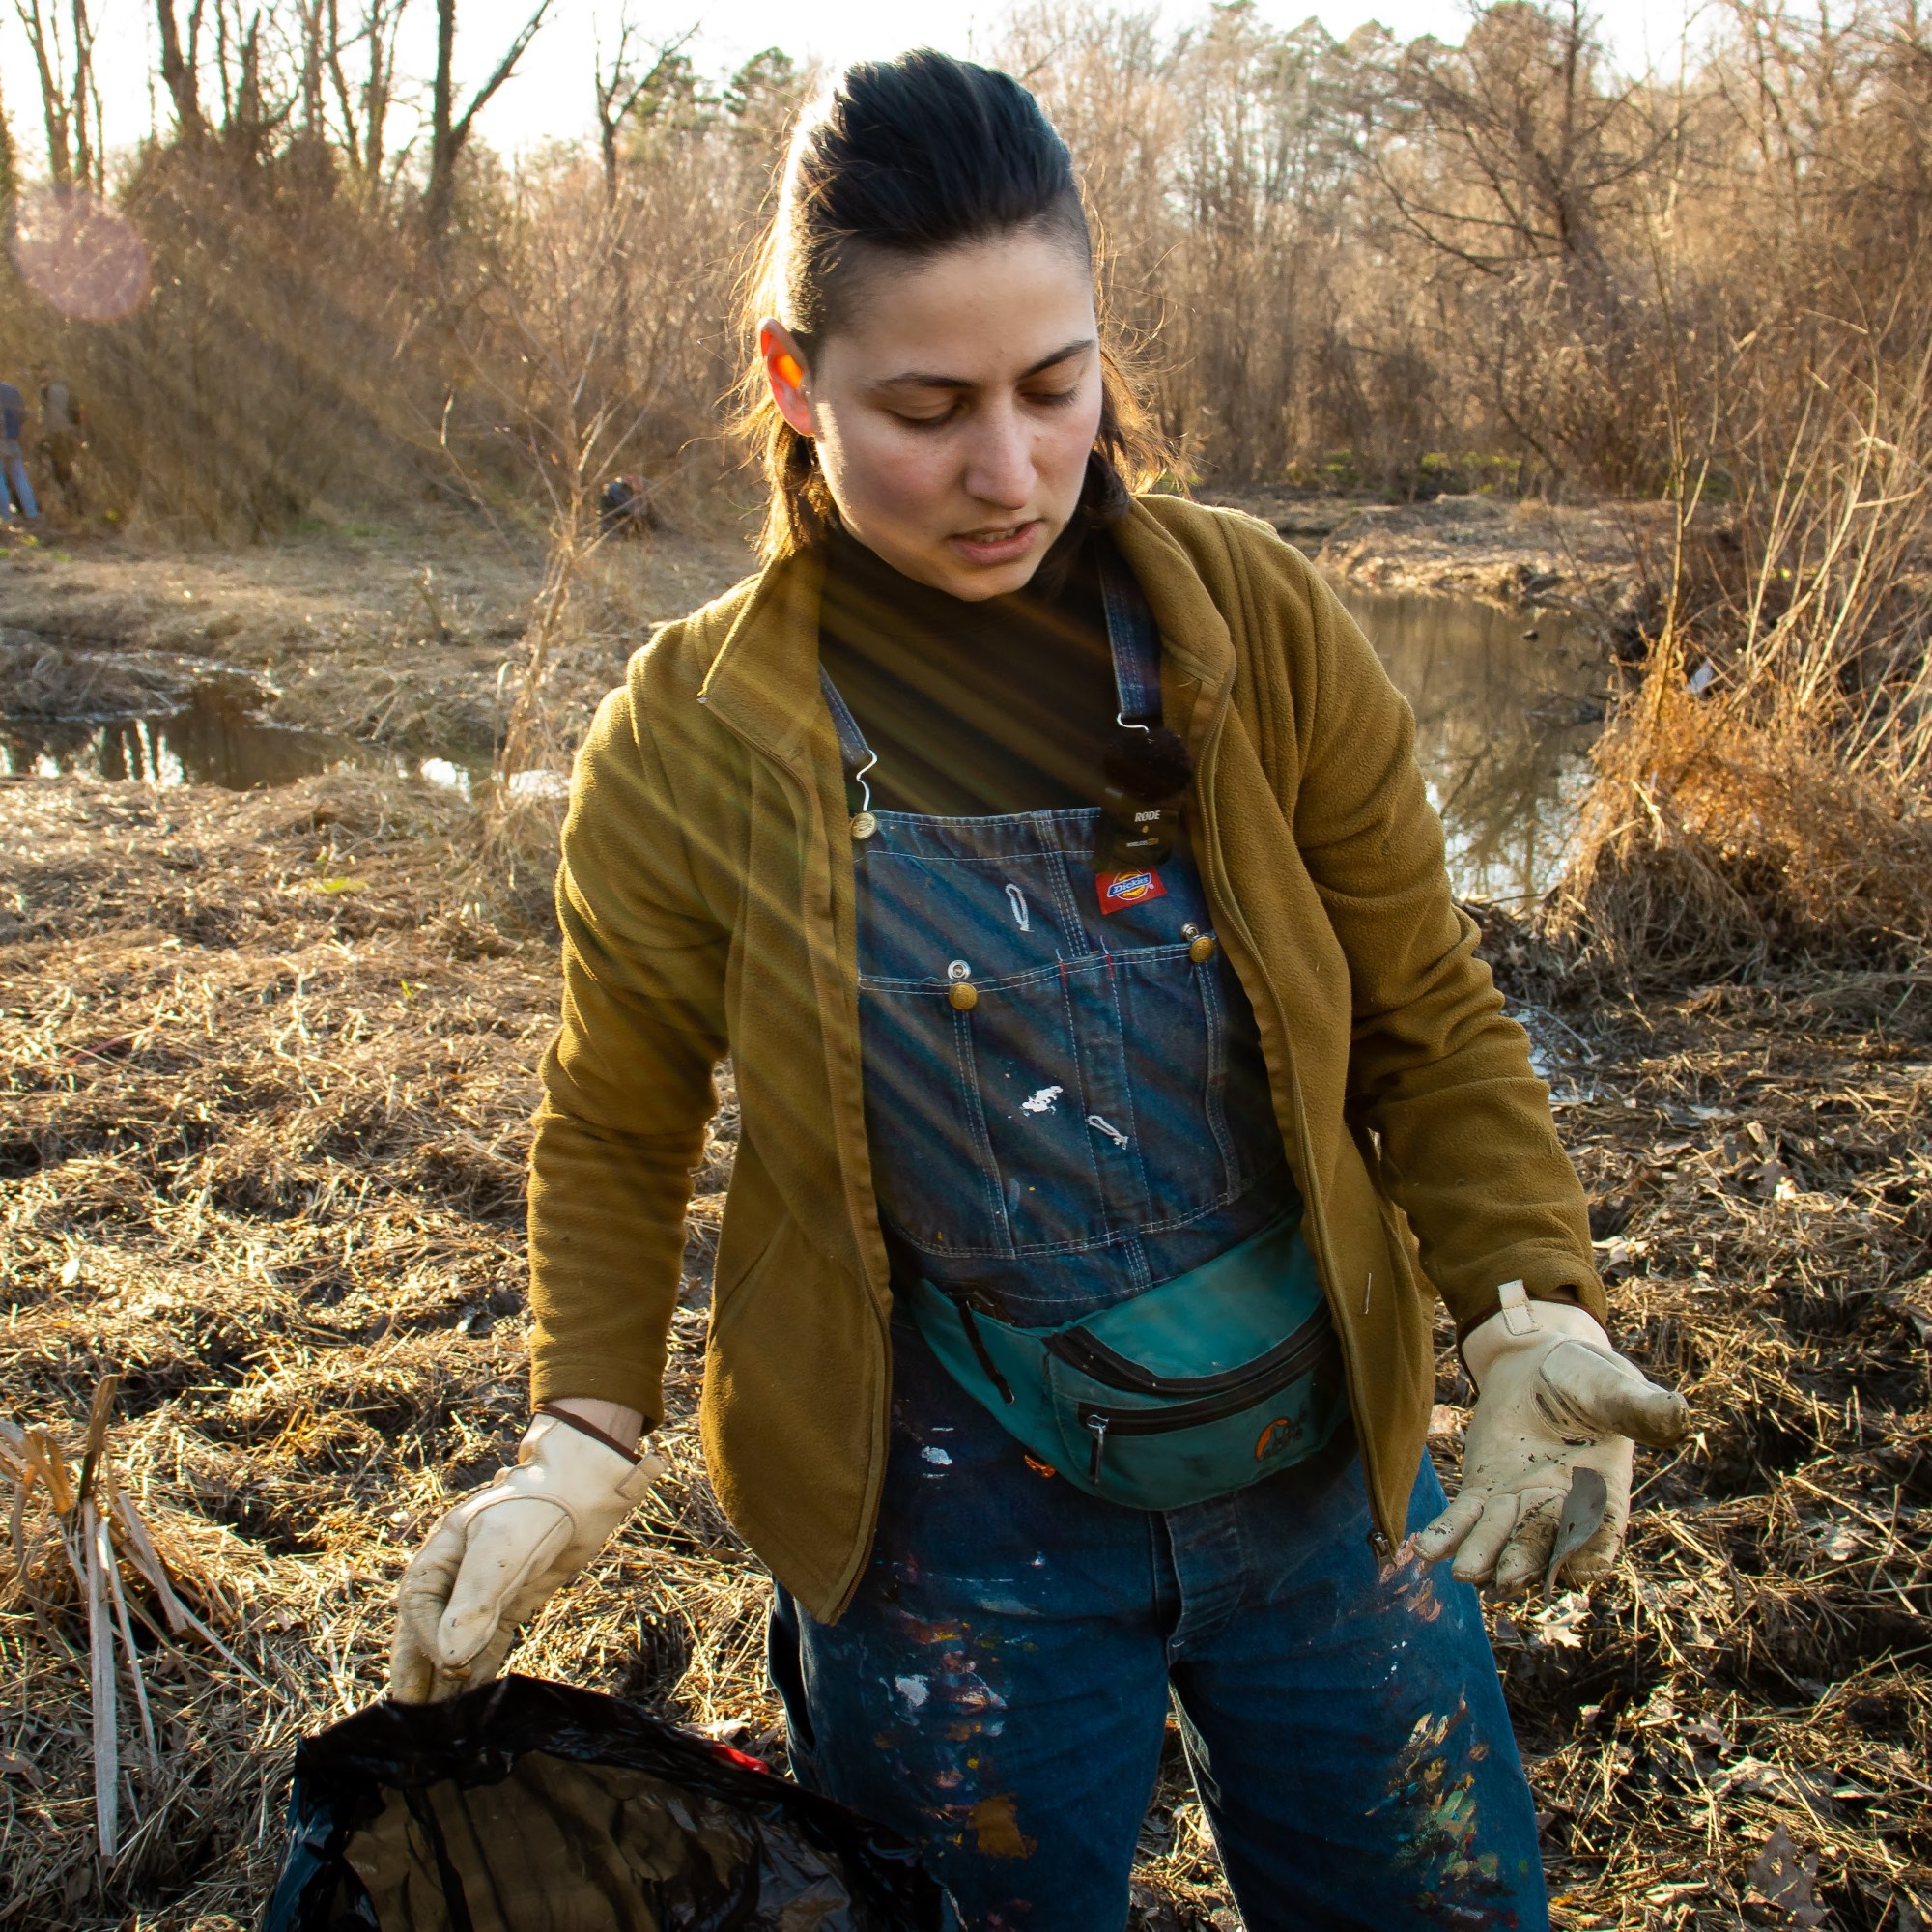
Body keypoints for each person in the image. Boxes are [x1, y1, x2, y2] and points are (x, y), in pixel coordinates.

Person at [388, 52, 1689, 1931]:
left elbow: (1426, 1006)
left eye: (1053, 386)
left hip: (1321, 1466)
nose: (1008, 473)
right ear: (793, 380)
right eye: (926, 409)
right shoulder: (687, 737)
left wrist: (1527, 1307)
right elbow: (615, 1115)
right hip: (946, 1528)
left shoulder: (1256, 624)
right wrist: (577, 1440)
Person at [34, 363, 83, 518]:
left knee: (60, 472)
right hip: (70, 433)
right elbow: (76, 414)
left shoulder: (45, 390)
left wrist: (43, 437)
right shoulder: (69, 388)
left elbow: (44, 417)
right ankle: (75, 502)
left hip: (56, 434)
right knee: (68, 468)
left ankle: (71, 503)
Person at [0, 380, 38, 522]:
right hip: (13, 439)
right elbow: (23, 415)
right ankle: (32, 512)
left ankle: (5, 516)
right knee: (20, 476)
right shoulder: (12, 390)